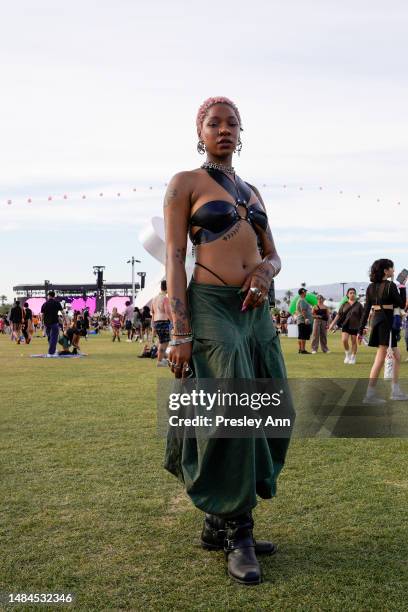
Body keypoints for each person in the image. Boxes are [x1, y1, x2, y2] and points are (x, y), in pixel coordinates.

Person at [164, 96, 293, 585]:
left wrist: (264, 269)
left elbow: (275, 254)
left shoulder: (254, 192)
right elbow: (175, 257)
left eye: (231, 123)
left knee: (275, 409)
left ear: (242, 133)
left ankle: (218, 521)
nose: (223, 129)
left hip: (255, 312)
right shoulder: (185, 184)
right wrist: (179, 330)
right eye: (213, 123)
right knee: (231, 415)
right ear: (200, 132)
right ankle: (238, 530)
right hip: (212, 307)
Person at [358, 259, 407, 404]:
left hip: (378, 321)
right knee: (380, 358)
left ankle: (395, 390)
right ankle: (370, 394)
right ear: (386, 271)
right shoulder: (390, 285)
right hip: (387, 322)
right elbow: (401, 303)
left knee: (397, 355)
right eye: (392, 268)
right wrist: (402, 286)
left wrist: (360, 330)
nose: (393, 271)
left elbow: (366, 309)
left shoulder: (371, 287)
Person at [329, 288, 363, 364]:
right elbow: (338, 315)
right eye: (350, 293)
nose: (352, 294)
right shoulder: (344, 304)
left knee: (354, 341)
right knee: (344, 340)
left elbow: (363, 317)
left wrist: (364, 327)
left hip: (355, 326)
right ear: (347, 295)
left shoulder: (359, 305)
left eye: (354, 293)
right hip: (345, 325)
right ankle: (347, 355)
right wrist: (332, 324)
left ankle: (353, 357)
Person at [151, 280, 172, 367]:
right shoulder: (165, 298)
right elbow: (167, 311)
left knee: (161, 342)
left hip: (156, 321)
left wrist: (153, 326)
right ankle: (160, 361)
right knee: (165, 342)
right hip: (163, 321)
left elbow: (152, 312)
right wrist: (173, 321)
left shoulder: (154, 298)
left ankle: (161, 359)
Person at [41, 291, 62, 355]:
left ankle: (53, 349)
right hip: (54, 322)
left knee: (50, 337)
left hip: (47, 323)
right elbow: (62, 312)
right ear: (54, 296)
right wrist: (65, 320)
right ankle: (51, 351)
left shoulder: (45, 304)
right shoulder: (57, 303)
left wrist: (42, 322)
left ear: (48, 296)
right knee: (54, 337)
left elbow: (42, 314)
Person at [296, 288, 312, 354]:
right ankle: (303, 350)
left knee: (301, 335)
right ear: (302, 292)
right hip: (303, 320)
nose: (306, 293)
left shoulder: (300, 300)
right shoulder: (302, 300)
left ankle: (300, 349)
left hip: (301, 320)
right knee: (303, 335)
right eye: (305, 291)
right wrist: (306, 318)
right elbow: (303, 310)